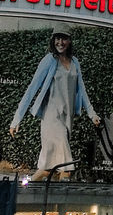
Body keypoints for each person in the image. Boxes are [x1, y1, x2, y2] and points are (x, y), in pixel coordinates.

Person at [9, 27, 100, 180]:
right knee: (65, 168)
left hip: (67, 118)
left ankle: (26, 193)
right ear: (53, 40)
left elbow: (81, 89)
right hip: (52, 118)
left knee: (48, 169)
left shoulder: (75, 62)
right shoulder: (49, 60)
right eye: (57, 38)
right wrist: (16, 119)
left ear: (69, 41)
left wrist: (92, 114)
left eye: (64, 38)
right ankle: (57, 201)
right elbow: (32, 89)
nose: (60, 42)